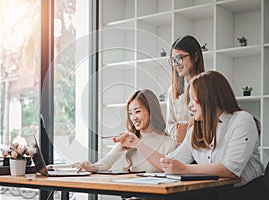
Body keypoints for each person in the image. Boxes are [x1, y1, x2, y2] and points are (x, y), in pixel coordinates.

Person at [160, 71, 265, 199]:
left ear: (210, 97)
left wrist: (185, 169)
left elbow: (230, 170)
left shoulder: (242, 120)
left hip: (246, 193)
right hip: (214, 193)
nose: (189, 105)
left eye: (193, 98)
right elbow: (173, 162)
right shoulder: (197, 127)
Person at [72, 89, 176, 173]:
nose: (133, 117)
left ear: (151, 111)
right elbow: (107, 161)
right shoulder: (130, 138)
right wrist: (91, 166)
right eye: (130, 113)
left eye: (137, 111)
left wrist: (139, 144)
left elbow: (169, 169)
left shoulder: (168, 143)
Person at [166, 35, 205, 145]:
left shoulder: (208, 86)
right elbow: (170, 125)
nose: (176, 64)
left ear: (195, 56)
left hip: (203, 145)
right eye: (173, 60)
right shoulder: (173, 91)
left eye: (180, 58)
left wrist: (189, 128)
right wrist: (181, 132)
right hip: (182, 145)